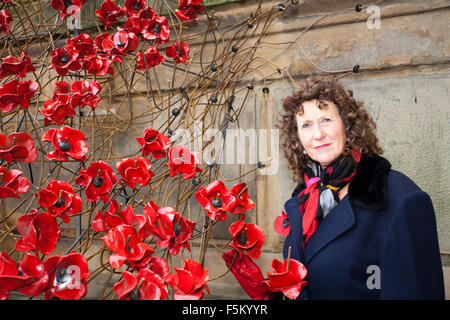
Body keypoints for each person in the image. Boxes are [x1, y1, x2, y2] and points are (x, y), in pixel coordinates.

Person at [277, 75, 445, 299]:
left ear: (347, 126)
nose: (318, 134)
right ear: (298, 139)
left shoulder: (400, 198)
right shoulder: (304, 197)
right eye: (306, 125)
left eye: (326, 120)